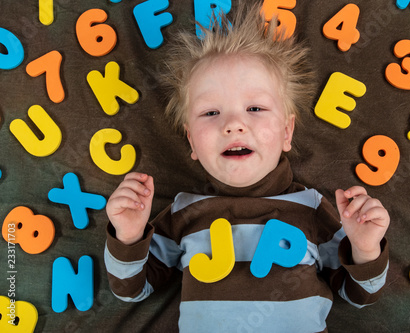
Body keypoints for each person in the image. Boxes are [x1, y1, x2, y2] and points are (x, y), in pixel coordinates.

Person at [104, 3, 390, 332]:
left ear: (286, 132)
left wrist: (365, 248)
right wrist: (128, 236)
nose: (234, 124)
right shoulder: (183, 214)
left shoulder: (312, 209)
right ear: (192, 142)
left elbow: (358, 296)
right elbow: (132, 289)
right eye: (211, 113)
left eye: (254, 107)